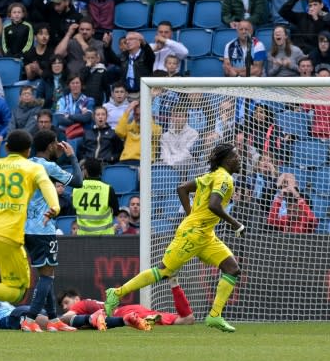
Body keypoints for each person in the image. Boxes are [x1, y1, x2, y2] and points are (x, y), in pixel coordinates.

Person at [104, 143, 244, 333]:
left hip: (205, 235)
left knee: (232, 268)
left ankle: (215, 316)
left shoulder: (211, 176)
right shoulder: (224, 178)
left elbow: (182, 188)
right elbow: (214, 205)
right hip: (193, 235)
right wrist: (235, 223)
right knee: (163, 271)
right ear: (227, 160)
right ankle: (117, 293)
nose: (239, 159)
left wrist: (191, 215)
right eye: (236, 156)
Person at [0, 129, 60, 355]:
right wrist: (55, 208)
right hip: (7, 235)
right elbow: (48, 189)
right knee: (17, 290)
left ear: (6, 148)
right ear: (28, 151)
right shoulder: (33, 167)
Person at [20, 130, 83, 332]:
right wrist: (72, 156)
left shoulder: (26, 165)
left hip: (23, 226)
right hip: (42, 226)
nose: (58, 146)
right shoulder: (46, 166)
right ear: (49, 146)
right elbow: (78, 181)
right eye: (56, 143)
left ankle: (53, 319)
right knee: (47, 275)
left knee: (46, 272)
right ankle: (30, 320)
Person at [59, 284, 195, 329]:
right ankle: (174, 284)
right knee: (187, 320)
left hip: (126, 313)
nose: (65, 307)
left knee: (186, 320)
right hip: (131, 309)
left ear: (76, 299)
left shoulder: (81, 304)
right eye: (62, 305)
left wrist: (51, 322)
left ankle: (143, 321)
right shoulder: (86, 305)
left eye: (66, 302)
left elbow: (64, 319)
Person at [72, 157, 118, 235]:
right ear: (100, 171)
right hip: (105, 236)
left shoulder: (76, 189)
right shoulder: (108, 189)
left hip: (83, 236)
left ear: (85, 171)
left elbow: (74, 210)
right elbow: (116, 211)